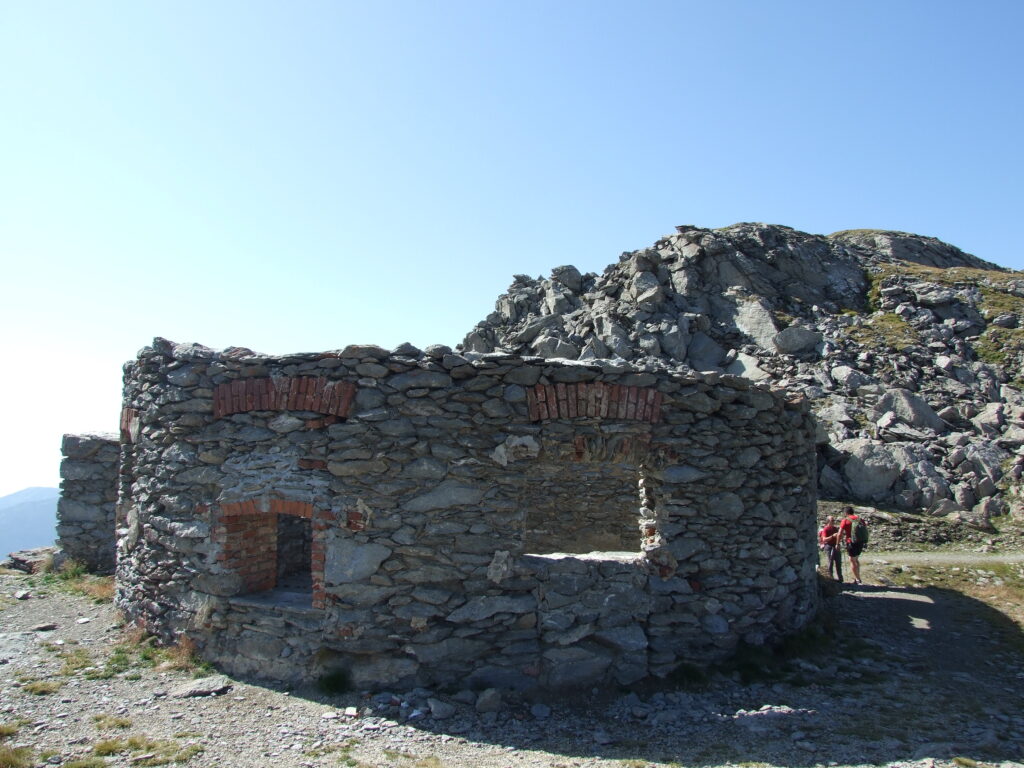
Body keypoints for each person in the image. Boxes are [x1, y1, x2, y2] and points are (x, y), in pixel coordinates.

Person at [838, 506, 866, 584]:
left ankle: (857, 579)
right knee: (856, 559)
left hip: (851, 542)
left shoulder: (845, 520)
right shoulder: (860, 519)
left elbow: (840, 533)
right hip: (860, 541)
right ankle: (858, 576)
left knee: (852, 560)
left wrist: (837, 543)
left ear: (846, 513)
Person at [818, 515, 843, 582]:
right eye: (832, 520)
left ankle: (840, 578)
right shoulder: (826, 529)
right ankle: (831, 578)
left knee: (838, 562)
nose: (833, 522)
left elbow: (838, 536)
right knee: (830, 562)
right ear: (828, 521)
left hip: (835, 545)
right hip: (829, 546)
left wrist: (839, 540)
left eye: (833, 520)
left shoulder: (835, 528)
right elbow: (824, 539)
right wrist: (832, 536)